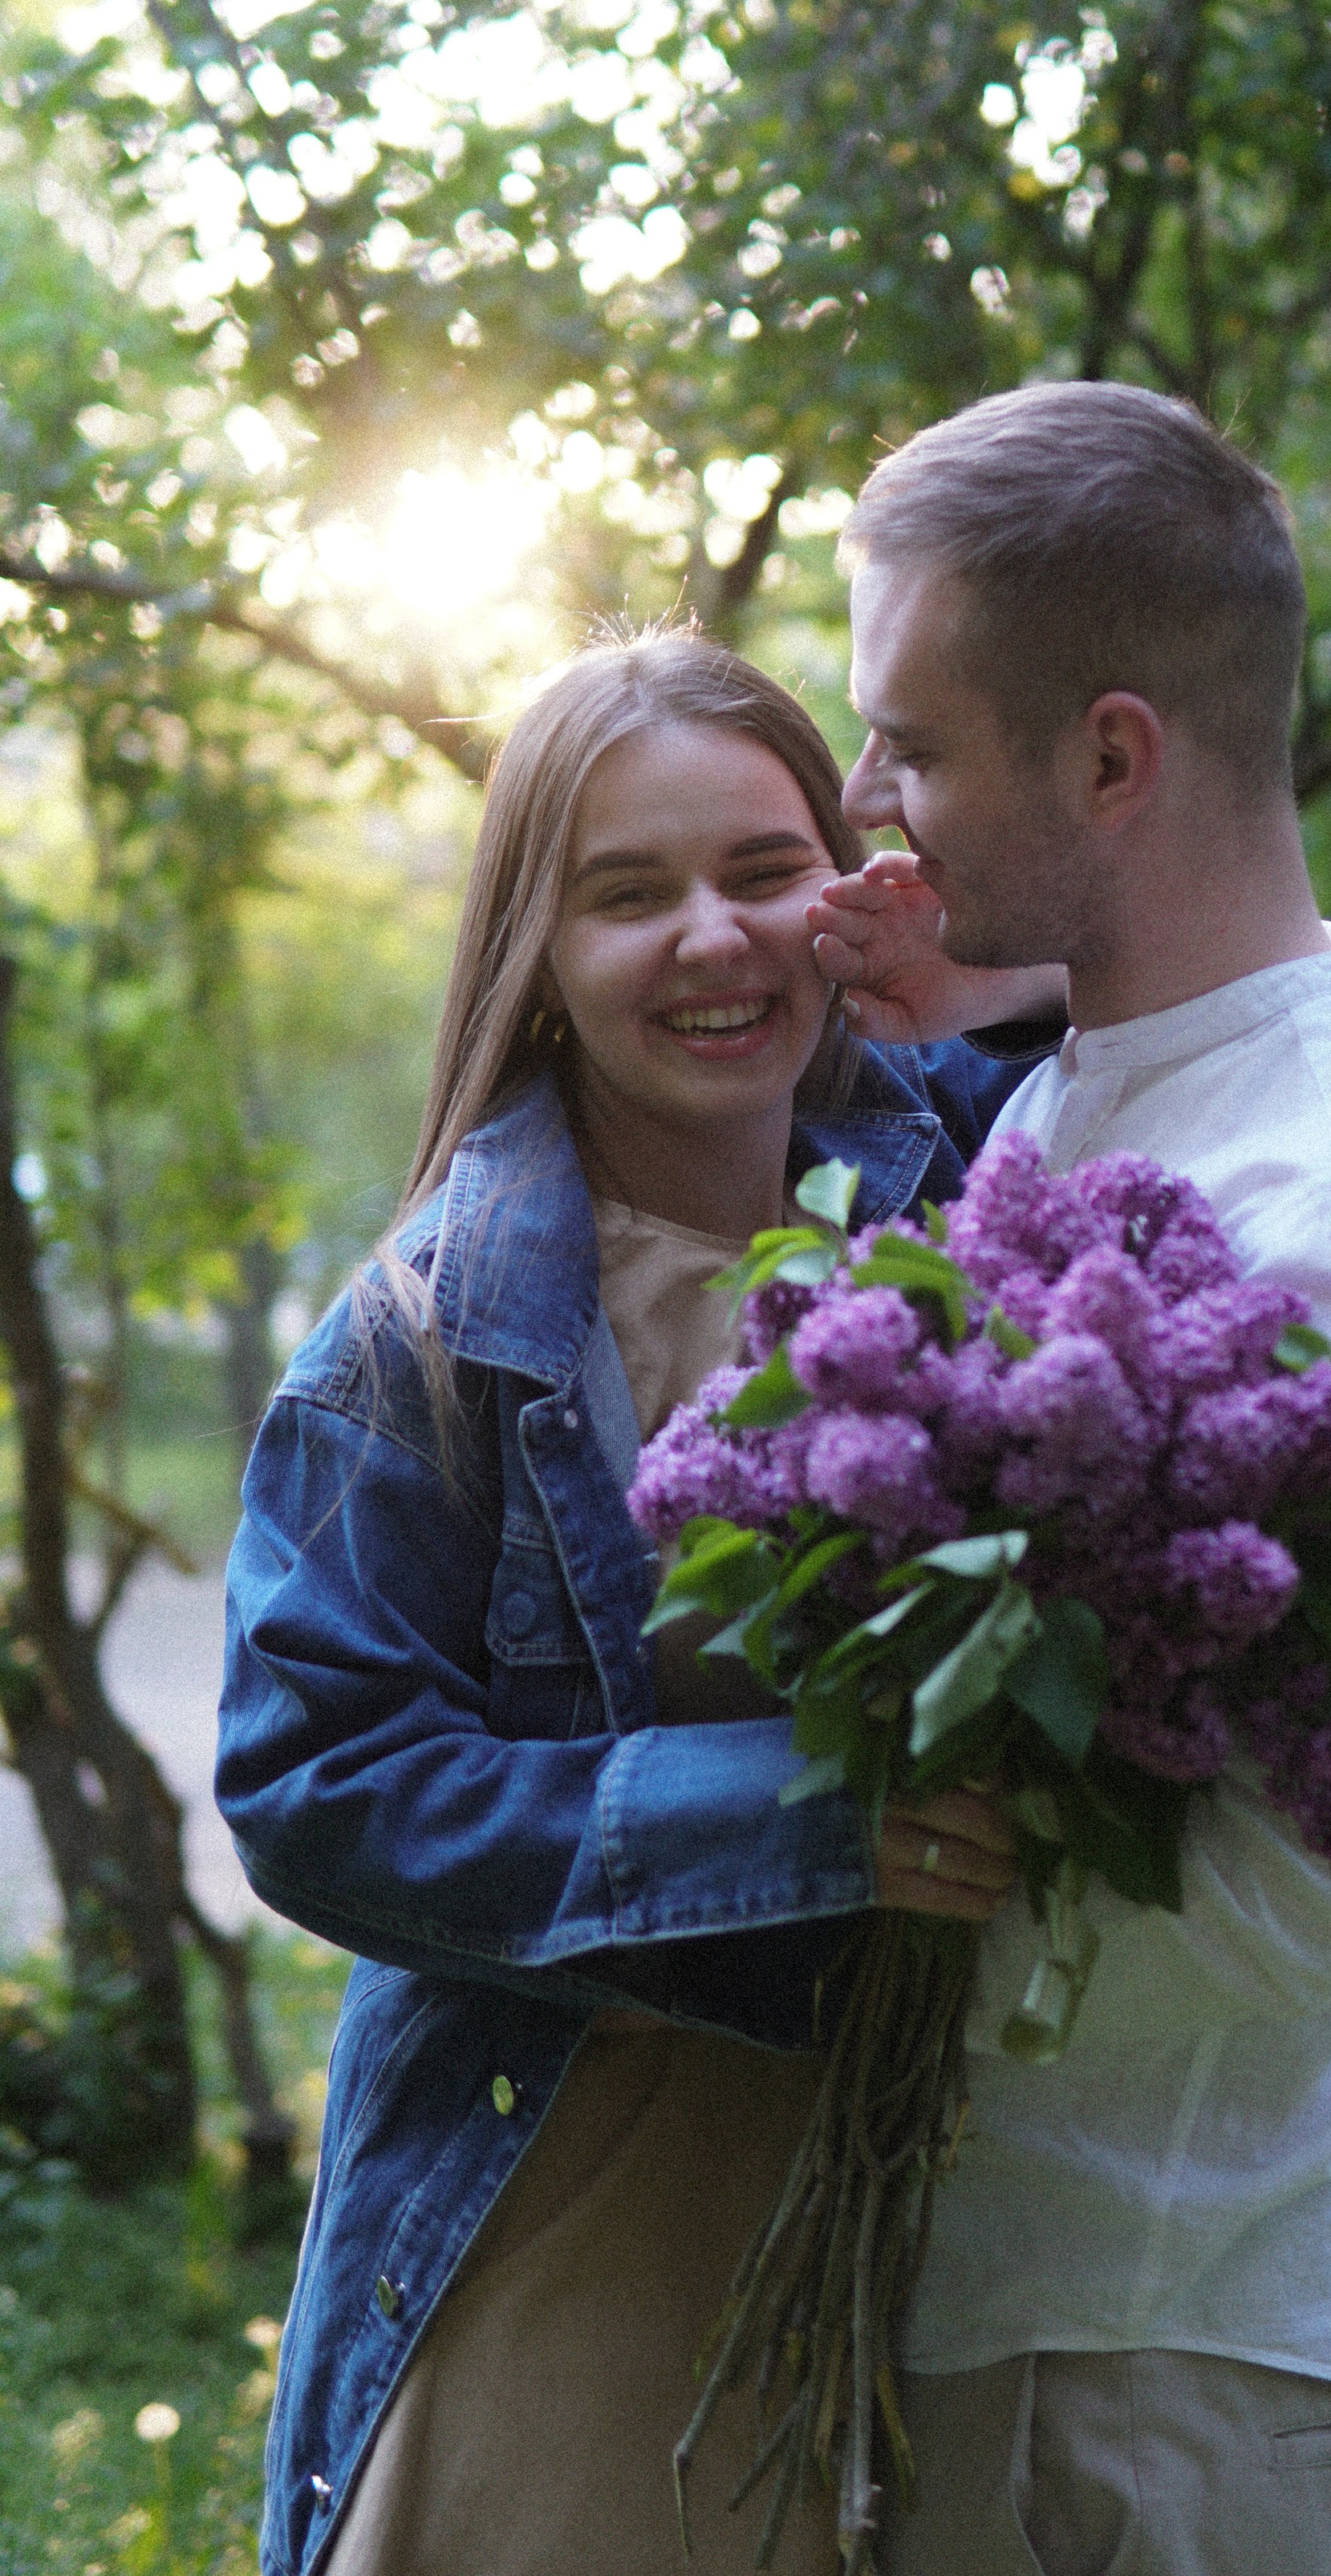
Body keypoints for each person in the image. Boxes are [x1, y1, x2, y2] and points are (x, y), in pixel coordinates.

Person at [810, 381, 1331, 2576]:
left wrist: (795, 1848)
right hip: (1036, 2324)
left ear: (1114, 758)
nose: (864, 803)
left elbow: (1278, 1897)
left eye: (911, 742)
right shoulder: (1092, 1095)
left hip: (1169, 2377)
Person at [216, 629, 1052, 2576]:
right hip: (575, 2219)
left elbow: (1153, 984)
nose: (713, 940)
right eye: (626, 892)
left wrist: (970, 952)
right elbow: (316, 1783)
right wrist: (806, 1815)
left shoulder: (972, 1202)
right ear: (535, 944)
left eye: (765, 871)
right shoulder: (431, 1341)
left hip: (939, 2244)